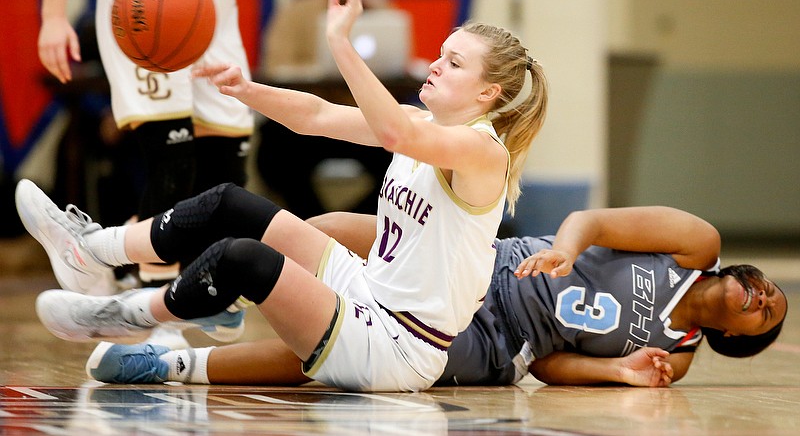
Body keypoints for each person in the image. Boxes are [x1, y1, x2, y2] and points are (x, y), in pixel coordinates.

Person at [21, 0, 549, 392]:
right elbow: (316, 117)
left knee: (244, 258)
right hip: (368, 292)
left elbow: (394, 137)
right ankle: (96, 248)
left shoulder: (482, 152)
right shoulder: (421, 120)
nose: (435, 66)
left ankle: (130, 314)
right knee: (232, 202)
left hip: (398, 344)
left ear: (487, 95)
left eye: (453, 63)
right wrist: (247, 90)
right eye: (439, 54)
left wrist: (342, 41)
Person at [84, 206, 788, 388]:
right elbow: (598, 222)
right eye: (766, 286)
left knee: (340, 360)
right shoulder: (695, 243)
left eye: (767, 312)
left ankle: (172, 363)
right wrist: (569, 248)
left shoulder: (679, 354)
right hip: (486, 264)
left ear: (737, 336)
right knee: (318, 233)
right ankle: (175, 289)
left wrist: (614, 370)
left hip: (497, 342)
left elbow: (550, 366)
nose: (763, 294)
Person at [37, 0, 322, 344]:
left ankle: (154, 274)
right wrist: (54, 17)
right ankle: (148, 302)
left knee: (229, 165)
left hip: (210, 4)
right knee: (172, 160)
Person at [257, 0, 397, 218]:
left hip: (362, 123)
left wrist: (377, 11)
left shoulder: (387, 19)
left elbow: (396, 68)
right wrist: (319, 71)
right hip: (309, 124)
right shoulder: (300, 12)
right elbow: (274, 67)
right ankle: (312, 222)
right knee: (273, 151)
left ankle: (358, 226)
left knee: (405, 154)